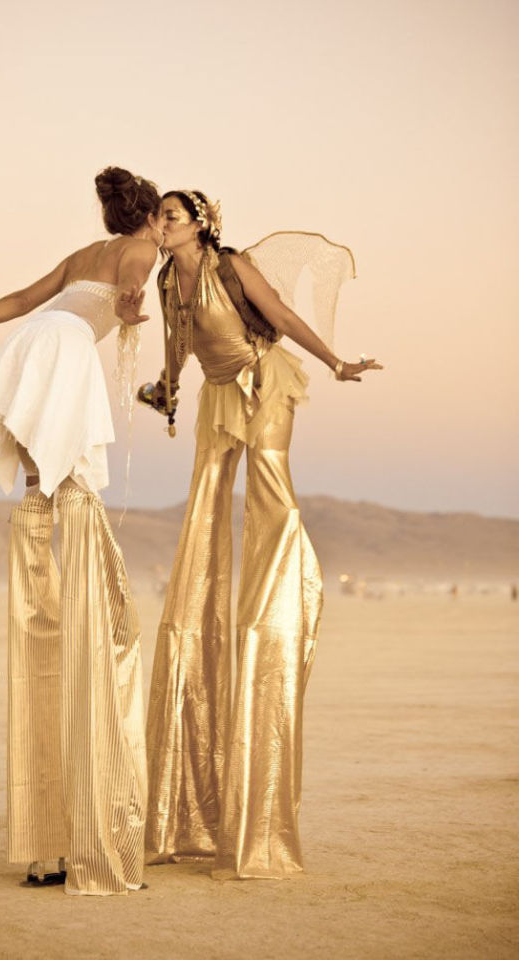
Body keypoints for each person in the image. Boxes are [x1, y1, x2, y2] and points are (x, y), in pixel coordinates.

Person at [0, 166, 163, 896]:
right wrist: (130, 307)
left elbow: (28, 299)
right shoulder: (140, 249)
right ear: (150, 216)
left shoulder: (85, 251)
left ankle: (40, 504)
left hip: (34, 338)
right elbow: (130, 295)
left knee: (40, 476)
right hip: (61, 351)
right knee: (71, 472)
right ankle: (57, 509)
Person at [139, 189, 382, 880]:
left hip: (262, 379)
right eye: (157, 217)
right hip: (217, 394)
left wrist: (335, 362)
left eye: (171, 218)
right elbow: (177, 346)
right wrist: (164, 390)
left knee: (270, 485)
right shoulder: (166, 278)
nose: (161, 226)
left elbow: (278, 316)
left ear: (200, 225)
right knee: (207, 508)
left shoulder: (230, 264)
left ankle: (284, 585)